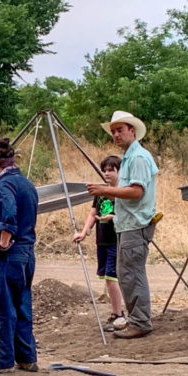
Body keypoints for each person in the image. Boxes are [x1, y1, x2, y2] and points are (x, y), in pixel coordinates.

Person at [86, 111, 159, 339]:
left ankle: (140, 321)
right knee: (126, 274)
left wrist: (105, 190)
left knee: (132, 274)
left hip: (135, 225)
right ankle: (135, 319)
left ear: (132, 131)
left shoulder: (137, 157)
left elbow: (136, 192)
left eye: (120, 130)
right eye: (114, 131)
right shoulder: (129, 156)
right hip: (128, 224)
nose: (116, 134)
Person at [0, 139, 39, 375]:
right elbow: (20, 212)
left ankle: (1, 361)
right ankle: (26, 358)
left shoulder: (4, 185)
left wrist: (3, 244)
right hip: (26, 253)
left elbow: (11, 216)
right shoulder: (26, 183)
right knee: (21, 303)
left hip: (8, 255)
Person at [72, 155, 127, 332]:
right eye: (105, 170)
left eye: (111, 170)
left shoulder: (124, 192)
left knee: (112, 278)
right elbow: (92, 213)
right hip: (101, 240)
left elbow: (129, 216)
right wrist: (84, 232)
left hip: (116, 240)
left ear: (120, 171)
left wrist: (114, 217)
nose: (107, 173)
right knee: (106, 277)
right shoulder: (102, 192)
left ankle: (119, 315)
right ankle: (115, 313)